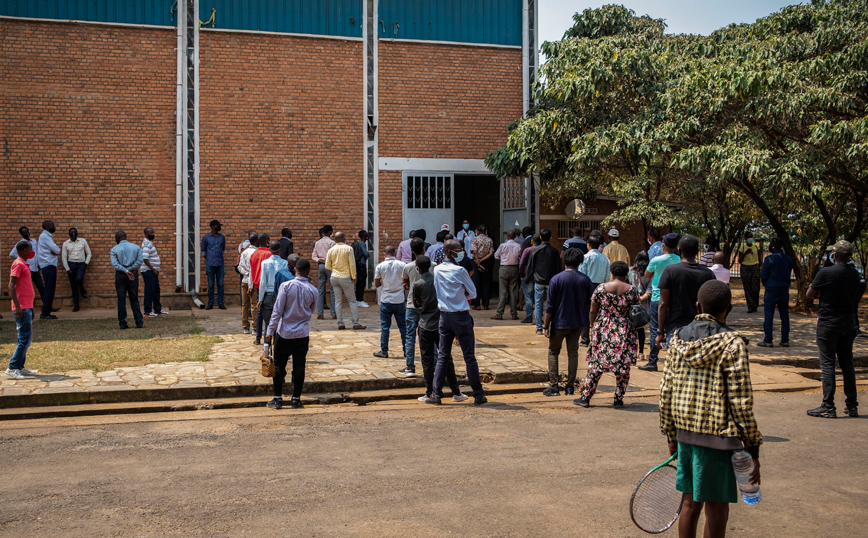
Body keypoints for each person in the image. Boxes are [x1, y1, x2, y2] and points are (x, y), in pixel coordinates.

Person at [660, 280, 763, 538]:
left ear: (697, 306)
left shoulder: (677, 339)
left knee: (689, 503)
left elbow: (666, 393)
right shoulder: (732, 343)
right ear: (728, 308)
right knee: (716, 509)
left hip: (684, 433)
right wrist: (752, 447)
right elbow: (741, 402)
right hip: (719, 439)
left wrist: (671, 435)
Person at [806, 240, 864, 418]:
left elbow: (810, 294)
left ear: (836, 255)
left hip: (828, 322)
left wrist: (820, 293)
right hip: (849, 322)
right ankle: (852, 405)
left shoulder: (826, 272)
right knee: (847, 363)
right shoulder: (856, 275)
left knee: (828, 363)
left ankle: (828, 405)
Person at [425, 240, 487, 405]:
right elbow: (473, 293)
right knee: (469, 357)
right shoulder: (460, 271)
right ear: (451, 252)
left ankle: (436, 395)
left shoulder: (437, 270)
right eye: (459, 249)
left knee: (443, 356)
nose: (462, 252)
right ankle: (478, 394)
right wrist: (461, 296)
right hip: (460, 316)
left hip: (444, 317)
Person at [574, 261, 640, 407]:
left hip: (604, 328)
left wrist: (593, 326)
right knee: (623, 367)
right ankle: (618, 399)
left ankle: (586, 397)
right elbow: (637, 309)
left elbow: (592, 310)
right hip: (624, 330)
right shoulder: (633, 290)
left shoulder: (601, 289)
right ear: (625, 274)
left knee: (596, 364)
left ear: (612, 272)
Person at [265, 258, 318, 410]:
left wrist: (270, 330)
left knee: (279, 365)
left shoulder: (286, 286)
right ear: (308, 271)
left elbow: (277, 310)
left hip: (284, 333)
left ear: (295, 270)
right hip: (302, 333)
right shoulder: (313, 290)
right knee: (299, 365)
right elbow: (312, 311)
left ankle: (277, 398)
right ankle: (296, 399)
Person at [653, 234, 716, 360]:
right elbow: (712, 304)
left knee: (676, 370)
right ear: (697, 252)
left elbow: (663, 303)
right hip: (701, 330)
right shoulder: (708, 274)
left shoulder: (670, 271)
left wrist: (660, 332)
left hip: (676, 330)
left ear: (679, 251)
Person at [542, 248, 592, 396]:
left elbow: (550, 306)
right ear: (580, 262)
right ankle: (570, 387)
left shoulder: (556, 279)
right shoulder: (585, 279)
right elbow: (590, 302)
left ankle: (554, 386)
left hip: (559, 322)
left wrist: (545, 325)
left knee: (553, 352)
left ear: (565, 261)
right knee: (573, 353)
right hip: (577, 323)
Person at [639, 233, 681, 371]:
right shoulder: (680, 260)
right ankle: (672, 360)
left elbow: (646, 275)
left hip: (657, 298)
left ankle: (653, 361)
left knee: (655, 331)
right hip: (674, 300)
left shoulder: (656, 260)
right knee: (671, 330)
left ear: (663, 244)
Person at [6, 240, 39, 380]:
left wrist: (31, 307)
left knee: (27, 339)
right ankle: (12, 367)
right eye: (29, 249)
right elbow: (11, 286)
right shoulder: (18, 264)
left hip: (27, 306)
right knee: (24, 339)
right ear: (23, 250)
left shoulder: (25, 264)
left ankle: (20, 366)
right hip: (22, 307)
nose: (31, 251)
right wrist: (18, 306)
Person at [325, 232, 365, 331]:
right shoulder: (348, 249)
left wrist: (335, 269)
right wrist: (354, 276)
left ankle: (340, 323)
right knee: (352, 301)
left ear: (335, 239)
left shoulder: (331, 250)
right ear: (343, 238)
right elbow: (352, 264)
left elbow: (327, 266)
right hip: (345, 277)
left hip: (334, 277)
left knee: (338, 301)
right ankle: (356, 323)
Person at [758, 237, 793, 348]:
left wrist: (765, 283)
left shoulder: (769, 259)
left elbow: (764, 275)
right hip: (784, 290)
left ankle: (768, 340)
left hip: (771, 289)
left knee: (769, 315)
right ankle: (785, 340)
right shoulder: (788, 259)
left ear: (773, 246)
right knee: (784, 315)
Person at [526, 229, 562, 335]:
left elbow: (530, 266)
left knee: (538, 304)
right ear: (550, 238)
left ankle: (539, 327)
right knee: (551, 304)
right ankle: (550, 325)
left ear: (540, 237)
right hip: (551, 281)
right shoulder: (554, 251)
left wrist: (527, 278)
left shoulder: (535, 250)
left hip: (538, 281)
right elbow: (558, 267)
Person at [373, 246, 407, 359]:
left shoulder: (380, 266)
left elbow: (377, 284)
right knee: (403, 327)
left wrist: (384, 282)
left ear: (384, 253)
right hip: (399, 299)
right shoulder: (402, 265)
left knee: (385, 327)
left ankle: (384, 350)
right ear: (395, 253)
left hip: (386, 299)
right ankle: (407, 350)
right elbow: (406, 282)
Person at [401, 238, 427, 376]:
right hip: (428, 305)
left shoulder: (408, 267)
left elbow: (405, 284)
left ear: (411, 251)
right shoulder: (433, 265)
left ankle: (410, 366)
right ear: (424, 249)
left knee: (410, 336)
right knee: (430, 336)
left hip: (412, 304)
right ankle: (433, 364)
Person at [577, 235, 610, 344]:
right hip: (600, 286)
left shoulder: (585, 257)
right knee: (600, 312)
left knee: (586, 311)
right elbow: (607, 276)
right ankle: (598, 338)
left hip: (587, 286)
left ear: (588, 245)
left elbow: (581, 274)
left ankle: (585, 339)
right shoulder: (605, 259)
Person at [110, 230, 144, 330]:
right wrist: (130, 270)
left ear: (117, 238)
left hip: (120, 275)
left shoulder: (114, 249)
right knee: (134, 298)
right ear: (125, 237)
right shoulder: (136, 247)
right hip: (133, 274)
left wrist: (125, 271)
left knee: (121, 299)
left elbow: (115, 264)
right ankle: (139, 322)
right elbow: (140, 261)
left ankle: (122, 323)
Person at [257, 241, 290, 344]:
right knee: (280, 324)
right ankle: (277, 350)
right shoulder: (285, 263)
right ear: (280, 250)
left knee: (268, 324)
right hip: (281, 295)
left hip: (268, 295)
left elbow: (263, 282)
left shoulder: (265, 263)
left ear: (270, 250)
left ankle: (266, 351)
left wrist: (260, 299)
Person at [492, 230, 523, 320]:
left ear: (507, 237)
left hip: (504, 268)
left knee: (503, 292)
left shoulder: (503, 245)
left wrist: (503, 258)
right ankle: (514, 314)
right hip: (514, 268)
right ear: (514, 237)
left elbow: (496, 256)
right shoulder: (518, 246)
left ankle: (499, 313)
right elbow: (520, 257)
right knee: (513, 291)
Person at [8, 227, 44, 303]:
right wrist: (21, 258)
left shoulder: (34, 241)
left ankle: (47, 306)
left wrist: (38, 263)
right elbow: (12, 254)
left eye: (27, 232)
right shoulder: (20, 243)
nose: (27, 233)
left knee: (41, 287)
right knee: (27, 288)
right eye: (24, 232)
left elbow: (37, 253)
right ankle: (29, 305)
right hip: (27, 269)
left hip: (35, 269)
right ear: (21, 234)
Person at [61, 227, 92, 312]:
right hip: (71, 264)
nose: (73, 234)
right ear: (69, 234)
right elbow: (63, 257)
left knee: (79, 278)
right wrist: (67, 269)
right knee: (73, 286)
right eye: (71, 233)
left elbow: (89, 253)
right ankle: (76, 305)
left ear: (77, 234)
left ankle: (82, 288)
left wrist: (86, 263)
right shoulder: (66, 244)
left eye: (75, 233)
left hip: (81, 264)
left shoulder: (83, 241)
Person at [249, 234, 273, 344]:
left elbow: (251, 270)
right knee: (271, 311)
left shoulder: (254, 254)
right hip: (268, 285)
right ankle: (269, 336)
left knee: (259, 311)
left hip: (257, 285)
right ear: (267, 241)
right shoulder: (269, 254)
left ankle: (258, 337)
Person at [628, 251, 651, 362]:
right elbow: (649, 292)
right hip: (642, 307)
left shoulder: (630, 271)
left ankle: (631, 351)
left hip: (630, 305)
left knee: (630, 329)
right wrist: (640, 299)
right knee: (640, 330)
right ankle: (641, 352)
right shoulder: (649, 274)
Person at [141, 226, 167, 318]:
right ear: (146, 234)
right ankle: (147, 311)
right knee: (149, 291)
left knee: (156, 290)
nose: (153, 235)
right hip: (148, 271)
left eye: (153, 233)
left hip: (153, 271)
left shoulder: (150, 243)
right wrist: (153, 269)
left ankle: (158, 309)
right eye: (151, 233)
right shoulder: (146, 244)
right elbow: (145, 259)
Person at [311, 226, 336, 319]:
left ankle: (320, 314)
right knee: (332, 290)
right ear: (330, 232)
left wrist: (319, 260)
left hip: (321, 265)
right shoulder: (332, 243)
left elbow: (313, 256)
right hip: (330, 266)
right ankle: (333, 313)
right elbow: (333, 255)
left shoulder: (318, 243)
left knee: (321, 290)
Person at [201, 219, 226, 310]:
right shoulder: (206, 237)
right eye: (217, 226)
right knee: (211, 284)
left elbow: (222, 249)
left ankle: (220, 303)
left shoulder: (221, 237)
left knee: (220, 284)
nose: (219, 227)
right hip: (210, 264)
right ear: (212, 227)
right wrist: (209, 258)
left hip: (220, 263)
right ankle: (210, 303)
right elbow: (203, 250)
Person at [38, 219, 61, 319]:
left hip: (48, 265)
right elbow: (56, 250)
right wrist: (55, 251)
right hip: (48, 265)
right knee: (49, 289)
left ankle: (47, 309)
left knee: (50, 288)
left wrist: (54, 251)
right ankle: (45, 313)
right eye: (52, 225)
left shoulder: (46, 236)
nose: (54, 227)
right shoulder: (45, 236)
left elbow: (54, 251)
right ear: (47, 227)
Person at [238, 232, 258, 334]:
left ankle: (245, 327)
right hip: (253, 281)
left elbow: (239, 267)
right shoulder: (256, 252)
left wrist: (246, 273)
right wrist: (250, 274)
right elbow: (254, 269)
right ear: (256, 241)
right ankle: (255, 327)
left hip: (244, 280)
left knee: (245, 305)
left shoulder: (244, 252)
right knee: (254, 305)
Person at [470, 225, 495, 310]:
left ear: (477, 231)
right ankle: (486, 304)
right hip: (486, 262)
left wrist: (478, 261)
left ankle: (477, 304)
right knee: (486, 283)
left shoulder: (475, 239)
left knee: (476, 283)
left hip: (476, 262)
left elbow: (474, 251)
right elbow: (491, 253)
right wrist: (482, 260)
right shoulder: (489, 240)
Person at [518, 235, 541, 324]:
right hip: (539, 276)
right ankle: (539, 317)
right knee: (538, 297)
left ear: (532, 242)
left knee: (528, 297)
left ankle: (529, 316)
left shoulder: (527, 250)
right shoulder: (542, 250)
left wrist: (521, 274)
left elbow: (522, 263)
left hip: (528, 276)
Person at [738, 231, 762, 313]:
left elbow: (759, 258)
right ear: (746, 239)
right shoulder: (742, 247)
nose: (750, 239)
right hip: (745, 268)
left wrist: (760, 268)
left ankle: (755, 304)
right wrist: (745, 253)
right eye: (749, 237)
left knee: (755, 288)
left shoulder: (756, 247)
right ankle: (751, 307)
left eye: (752, 237)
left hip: (755, 267)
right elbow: (739, 260)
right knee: (747, 288)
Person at [353, 230, 371, 308]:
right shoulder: (362, 244)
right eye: (366, 235)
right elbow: (366, 254)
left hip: (359, 265)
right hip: (361, 265)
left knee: (359, 282)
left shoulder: (360, 243)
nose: (368, 236)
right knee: (361, 282)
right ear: (364, 236)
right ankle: (360, 300)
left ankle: (358, 300)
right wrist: (368, 254)